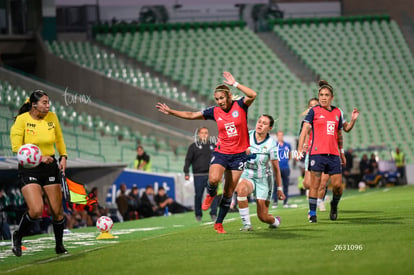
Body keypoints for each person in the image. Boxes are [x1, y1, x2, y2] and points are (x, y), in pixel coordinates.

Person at [156, 71, 257, 233]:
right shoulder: (214, 111)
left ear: (229, 96)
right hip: (222, 151)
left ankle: (218, 223)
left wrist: (235, 83)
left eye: (222, 98)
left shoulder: (241, 106)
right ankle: (210, 194)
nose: (220, 102)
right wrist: (171, 112)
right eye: (217, 99)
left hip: (239, 155)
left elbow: (253, 94)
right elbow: (191, 115)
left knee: (229, 192)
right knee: (214, 179)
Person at [9, 90, 68, 256]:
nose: (47, 106)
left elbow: (59, 139)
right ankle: (18, 236)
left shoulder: (52, 117)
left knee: (57, 212)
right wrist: (38, 157)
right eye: (44, 103)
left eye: (48, 102)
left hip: (50, 168)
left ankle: (59, 246)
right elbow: (16, 147)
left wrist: (63, 156)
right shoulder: (22, 120)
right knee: (36, 210)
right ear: (34, 105)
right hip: (29, 168)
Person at [297, 80, 346, 223]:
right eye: (321, 95)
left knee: (337, 186)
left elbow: (340, 134)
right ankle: (312, 214)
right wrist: (300, 148)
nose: (323, 97)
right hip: (317, 154)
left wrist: (342, 153)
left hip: (334, 155)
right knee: (315, 184)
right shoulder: (314, 111)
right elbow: (305, 130)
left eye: (326, 95)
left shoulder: (337, 112)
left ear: (332, 97)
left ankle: (334, 205)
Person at [235, 114, 285, 231]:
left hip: (264, 180)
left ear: (270, 128)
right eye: (259, 122)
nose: (260, 125)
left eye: (264, 123)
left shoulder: (271, 144)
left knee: (262, 217)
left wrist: (279, 188)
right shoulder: (246, 136)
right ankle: (247, 224)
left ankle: (275, 221)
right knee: (241, 189)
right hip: (247, 175)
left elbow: (276, 168)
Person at [183, 127, 215, 222]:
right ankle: (198, 214)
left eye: (206, 133)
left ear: (208, 134)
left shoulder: (213, 145)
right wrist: (186, 172)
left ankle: (213, 213)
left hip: (211, 175)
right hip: (198, 175)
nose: (204, 134)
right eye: (202, 133)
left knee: (212, 194)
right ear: (199, 135)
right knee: (198, 195)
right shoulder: (193, 146)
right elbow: (188, 160)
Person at [275, 130, 291, 208]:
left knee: (286, 185)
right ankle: (275, 202)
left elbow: (290, 155)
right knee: (276, 185)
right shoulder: (274, 145)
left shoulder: (287, 145)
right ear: (277, 136)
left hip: (285, 167)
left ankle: (285, 202)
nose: (280, 137)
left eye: (281, 135)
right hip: (277, 168)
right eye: (279, 135)